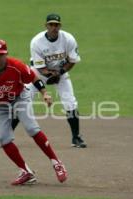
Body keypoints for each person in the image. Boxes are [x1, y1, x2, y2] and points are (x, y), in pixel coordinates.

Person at [0, 39, 67, 185]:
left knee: (31, 128)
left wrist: (45, 93)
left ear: (6, 54)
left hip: (19, 98)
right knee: (3, 139)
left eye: (1, 54)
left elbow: (34, 78)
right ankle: (26, 172)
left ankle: (57, 163)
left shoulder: (16, 66)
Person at [25, 13, 87, 148]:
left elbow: (72, 60)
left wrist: (60, 72)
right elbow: (40, 67)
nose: (54, 27)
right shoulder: (37, 41)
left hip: (60, 72)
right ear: (46, 26)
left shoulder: (68, 39)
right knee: (23, 100)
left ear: (60, 26)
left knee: (70, 102)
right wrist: (50, 74)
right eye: (51, 24)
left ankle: (76, 137)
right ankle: (8, 136)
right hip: (38, 73)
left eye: (56, 24)